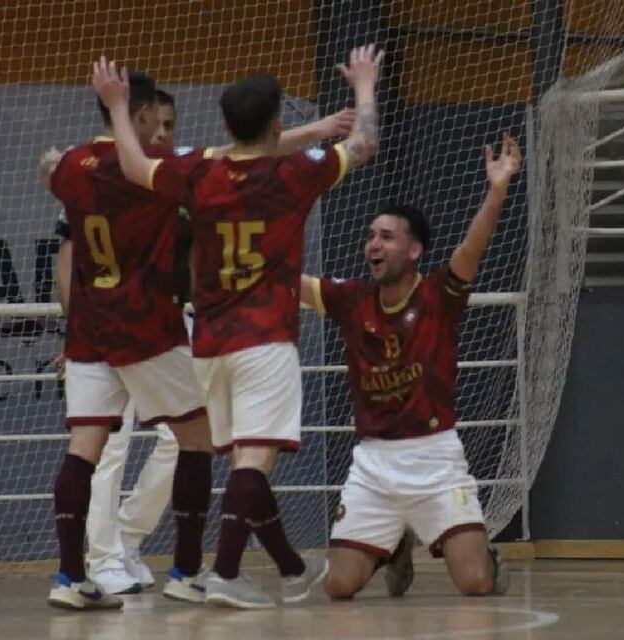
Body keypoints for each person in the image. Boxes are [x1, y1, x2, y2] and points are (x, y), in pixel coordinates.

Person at [92, 44, 382, 608]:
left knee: (242, 463)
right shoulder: (294, 174)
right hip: (265, 339)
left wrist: (119, 108)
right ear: (276, 126)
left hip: (208, 342)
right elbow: (364, 142)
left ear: (225, 126)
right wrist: (365, 86)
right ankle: (223, 571)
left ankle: (290, 568)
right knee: (254, 461)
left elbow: (133, 165)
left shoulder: (199, 172)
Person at [299, 134, 521, 600]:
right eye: (370, 236)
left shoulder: (438, 295)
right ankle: (391, 545)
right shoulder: (352, 299)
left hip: (435, 459)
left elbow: (472, 247)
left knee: (476, 583)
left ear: (414, 250)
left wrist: (497, 189)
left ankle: (482, 552)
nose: (372, 245)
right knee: (339, 586)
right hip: (374, 464)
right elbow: (290, 284)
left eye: (386, 237)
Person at [45, 71, 214, 610]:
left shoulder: (71, 165)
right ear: (136, 116)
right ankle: (186, 569)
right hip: (145, 327)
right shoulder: (154, 172)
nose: (162, 131)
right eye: (154, 121)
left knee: (84, 449)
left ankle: (71, 577)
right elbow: (241, 155)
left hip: (90, 331)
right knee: (198, 436)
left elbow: (53, 174)